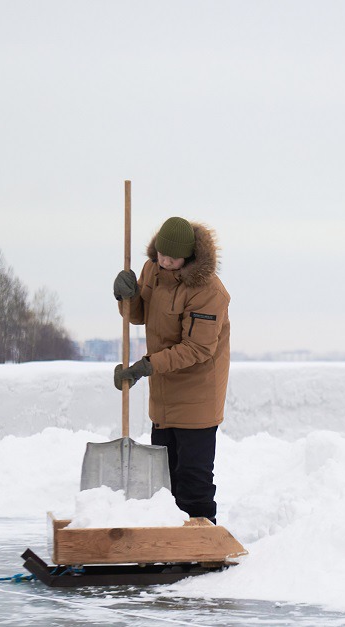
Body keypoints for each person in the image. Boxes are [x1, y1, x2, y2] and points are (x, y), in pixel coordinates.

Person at [112, 216, 231, 524]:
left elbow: (198, 348)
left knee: (193, 479)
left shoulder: (208, 291)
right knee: (164, 480)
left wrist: (146, 366)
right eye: (162, 254)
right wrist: (127, 296)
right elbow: (139, 315)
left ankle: (202, 541)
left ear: (189, 255)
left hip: (197, 395)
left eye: (173, 257)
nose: (165, 261)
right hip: (164, 393)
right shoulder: (153, 269)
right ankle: (168, 541)